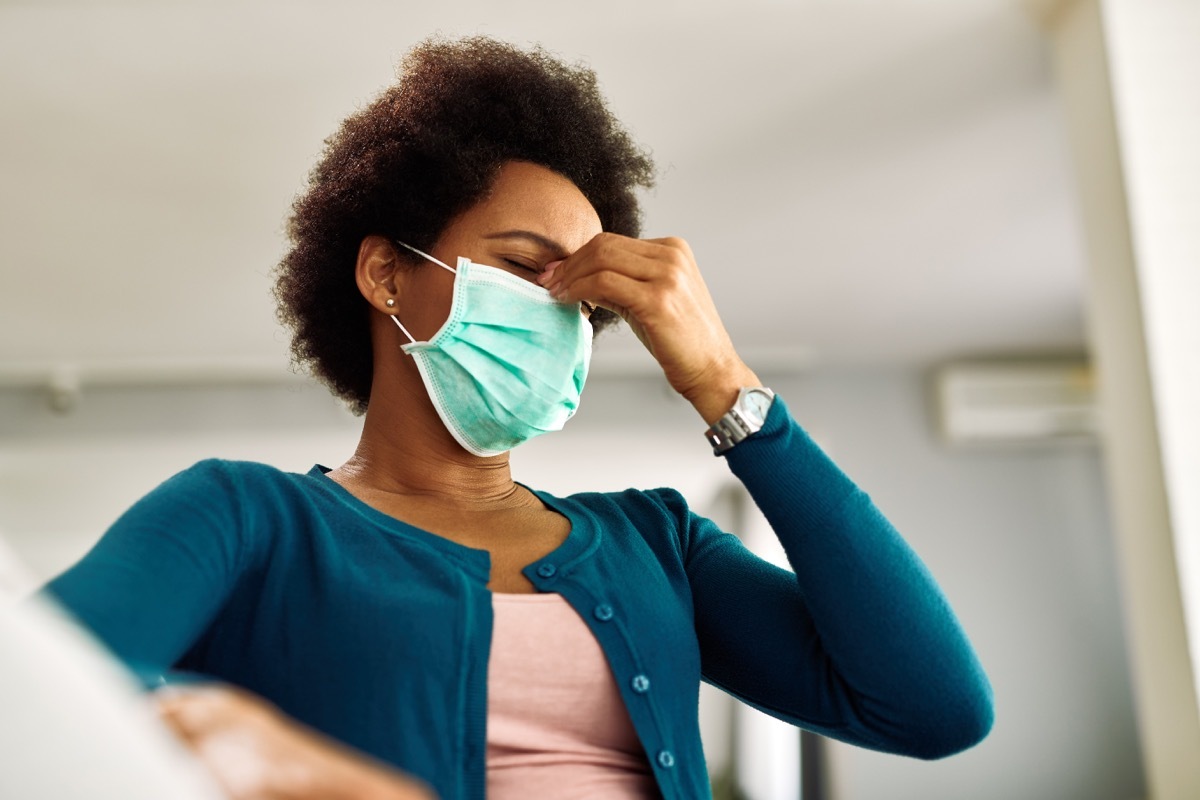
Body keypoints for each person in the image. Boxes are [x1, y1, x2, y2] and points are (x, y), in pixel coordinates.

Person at [41, 35, 993, 800]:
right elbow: (37, 698)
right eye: (523, 263)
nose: (557, 312)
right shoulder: (247, 520)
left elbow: (934, 710)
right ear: (386, 272)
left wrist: (725, 385)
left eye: (581, 294)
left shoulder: (655, 543)